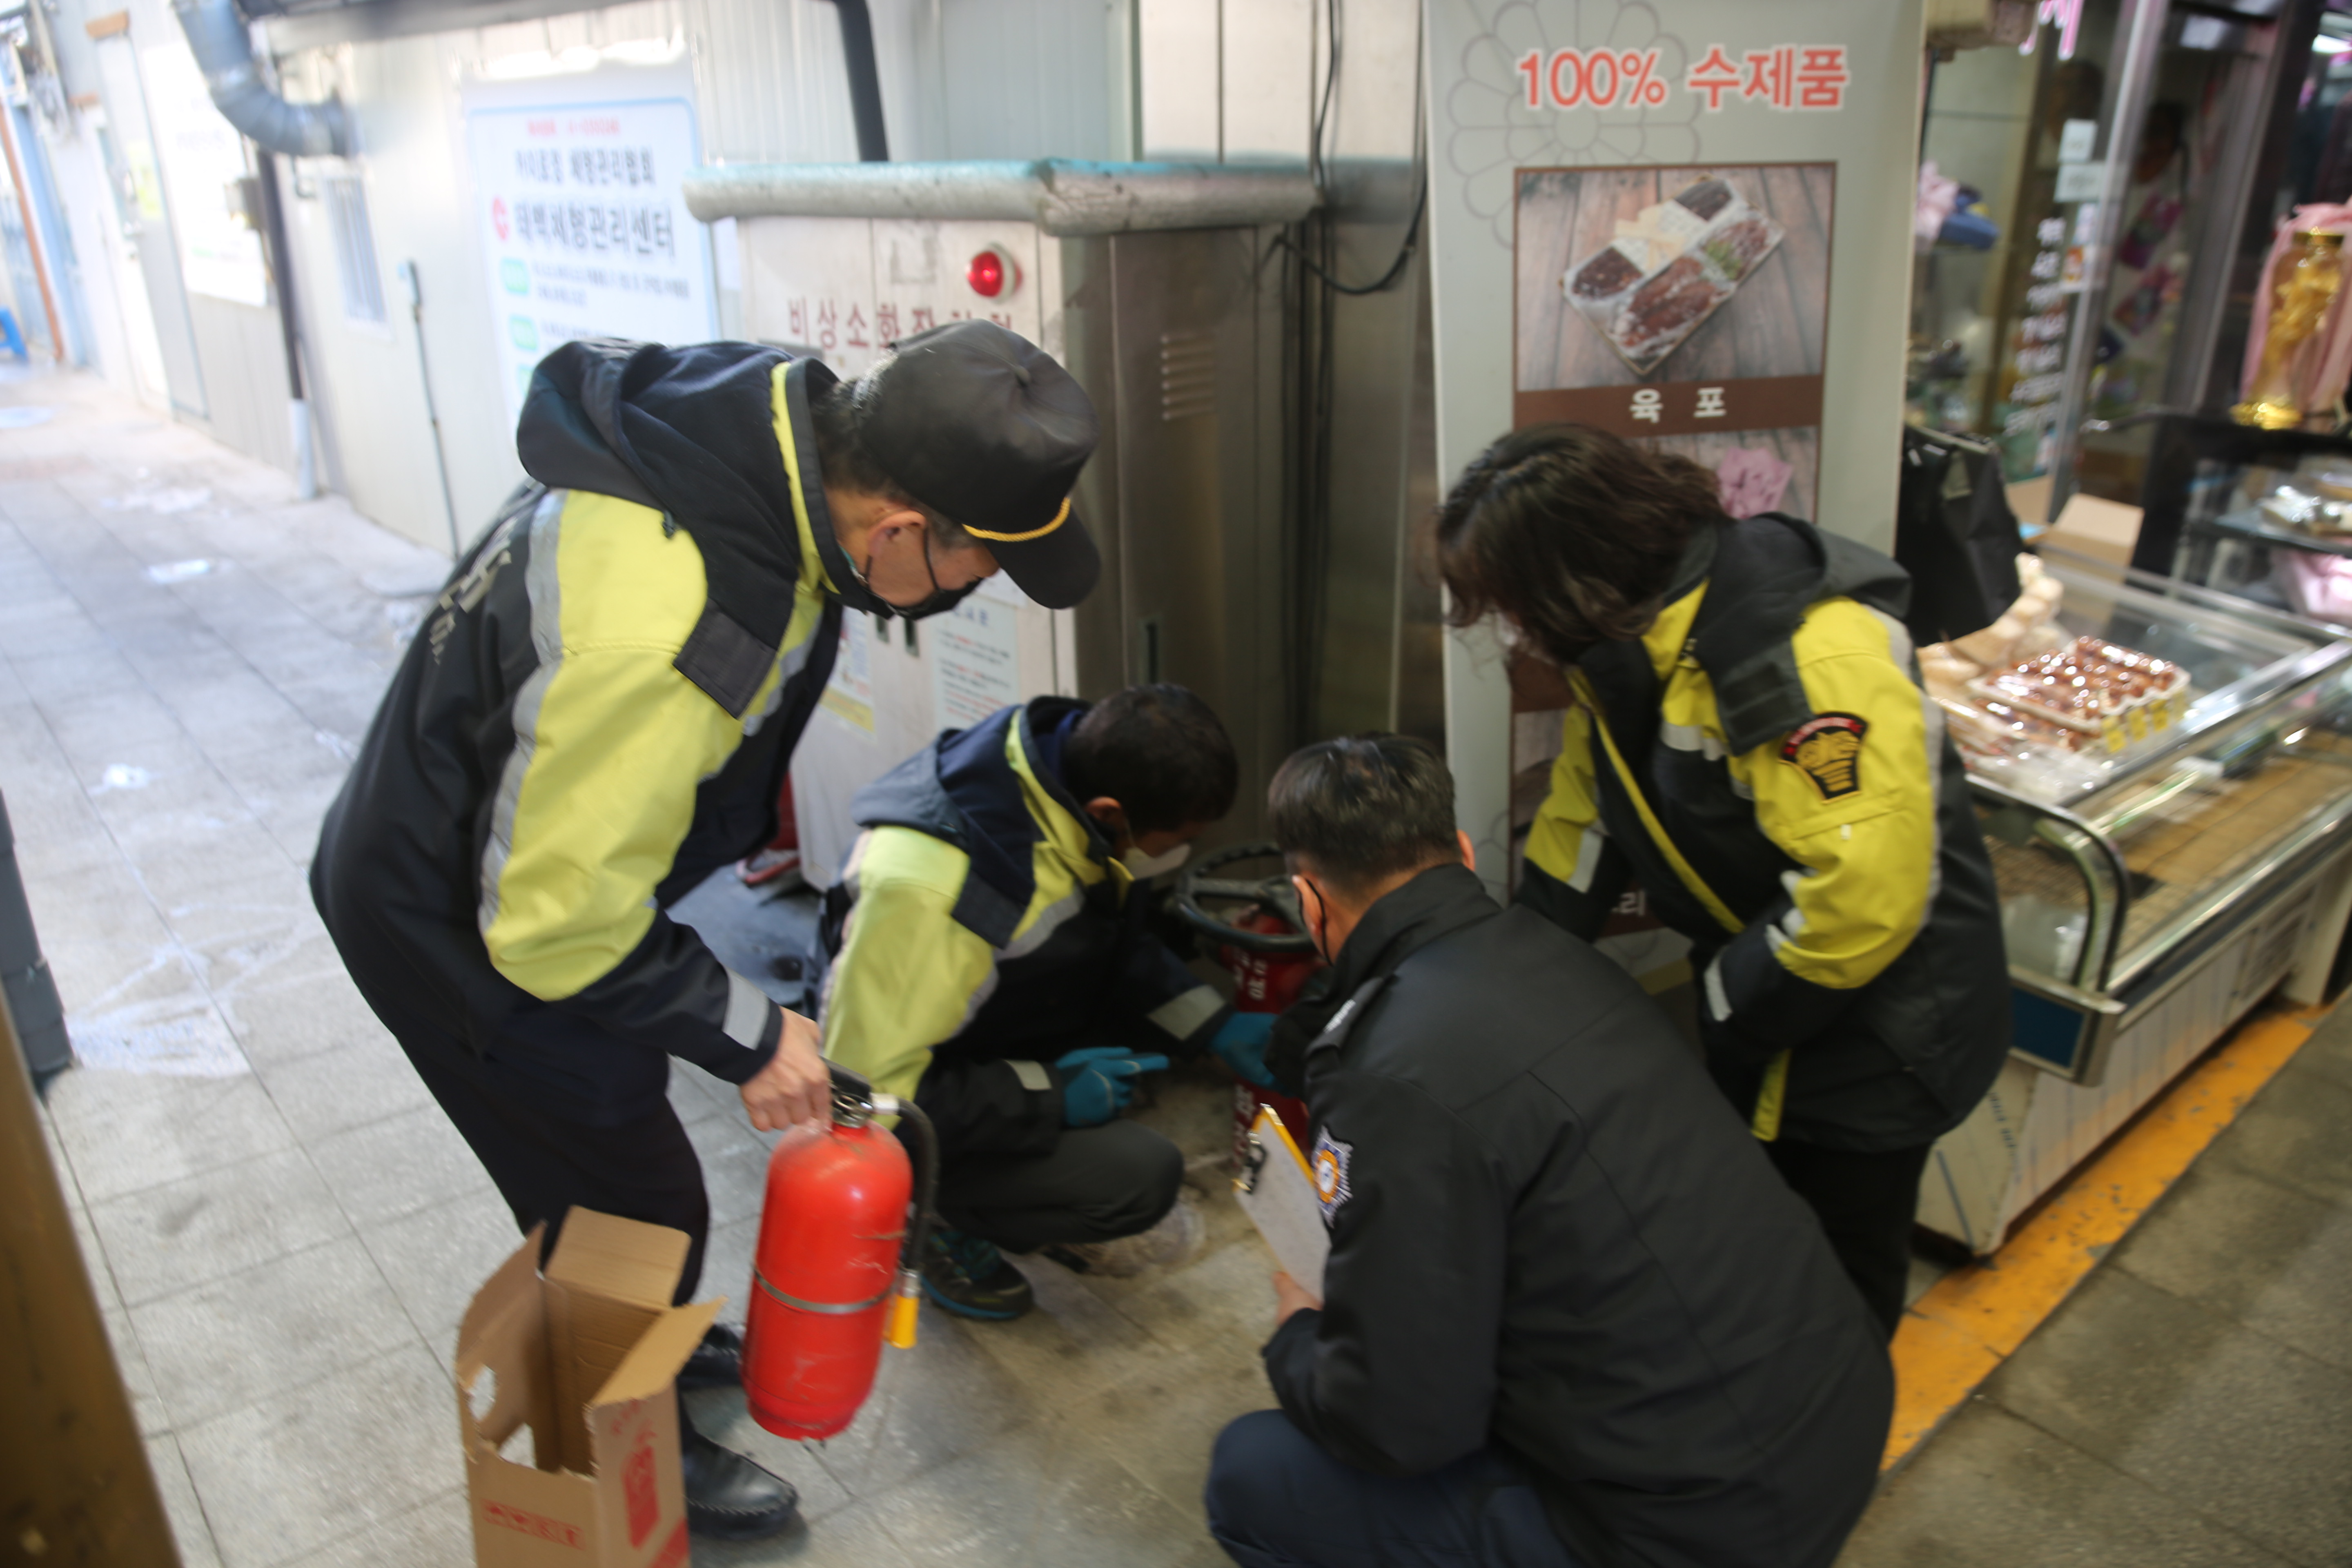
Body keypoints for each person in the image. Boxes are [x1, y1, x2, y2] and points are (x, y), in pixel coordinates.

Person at [310, 321, 1102, 1541]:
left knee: (618, 1165)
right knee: (629, 1201)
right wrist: (755, 1036)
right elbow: (553, 926)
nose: (969, 595)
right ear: (900, 531)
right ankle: (618, 1458)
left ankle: (651, 1351)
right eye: (978, 571)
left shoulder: (766, 435)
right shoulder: (671, 624)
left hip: (497, 846)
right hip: (447, 919)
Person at [1203, 735, 1891, 1568]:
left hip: (1699, 1535)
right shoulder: (1564, 960)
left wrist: (1299, 1335)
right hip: (1838, 1418)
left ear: (1310, 903)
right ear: (1462, 854)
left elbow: (1402, 1427)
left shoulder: (1389, 1073)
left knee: (1255, 1474)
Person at [1434, 423, 2011, 1336]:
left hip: (1888, 1029)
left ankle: (1831, 1414)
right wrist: (1521, 962)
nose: (1513, 631)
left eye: (1514, 605)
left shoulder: (1807, 659)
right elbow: (1592, 799)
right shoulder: (1634, 635)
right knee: (1766, 1244)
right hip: (1790, 995)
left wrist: (1724, 1008)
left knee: (1840, 1286)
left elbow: (1863, 900)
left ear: (1575, 582)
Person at [820, 684, 1277, 1318]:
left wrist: (1213, 1024)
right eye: (1173, 842)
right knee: (1136, 1179)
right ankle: (930, 1213)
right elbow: (863, 1100)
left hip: (969, 1025)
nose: (1177, 857)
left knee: (1131, 1063)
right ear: (1110, 813)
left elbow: (1106, 940)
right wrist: (1050, 1094)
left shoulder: (1056, 774)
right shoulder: (941, 896)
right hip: (890, 1096)